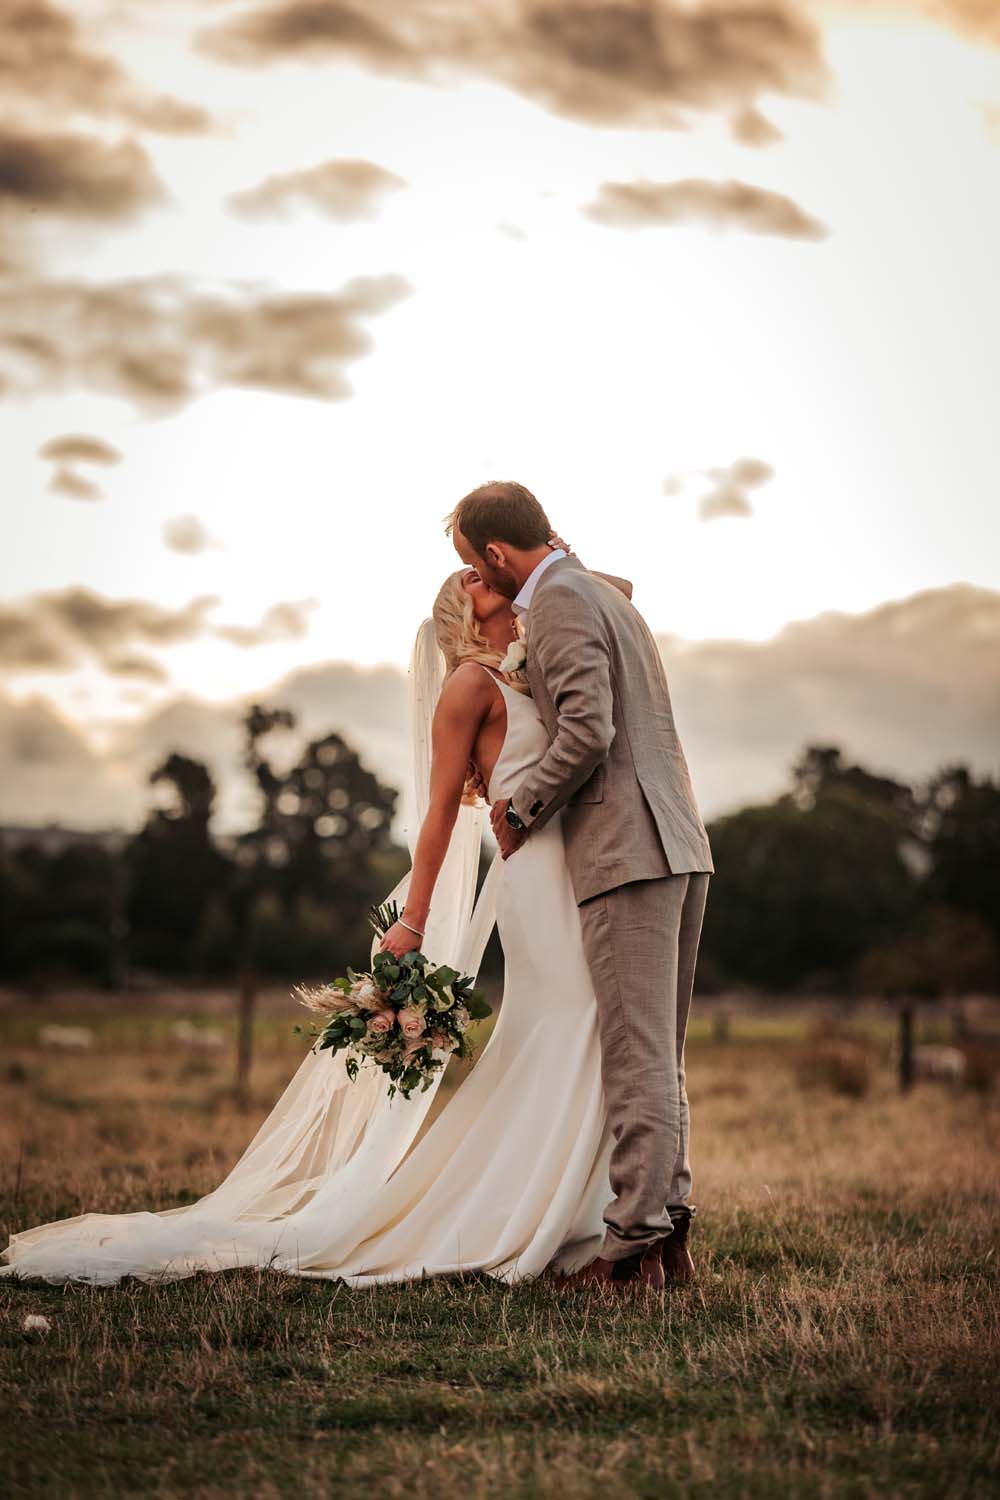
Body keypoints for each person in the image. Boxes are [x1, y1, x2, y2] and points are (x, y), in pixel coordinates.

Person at [0, 523, 689, 1294]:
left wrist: (561, 563)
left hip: (583, 872)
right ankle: (556, 1215)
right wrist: (415, 919)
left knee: (607, 1037)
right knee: (572, 1027)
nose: (496, 584)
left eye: (487, 571)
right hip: (537, 883)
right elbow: (437, 818)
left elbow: (608, 603)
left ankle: (601, 1213)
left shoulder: (534, 663)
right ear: (465, 610)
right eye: (480, 580)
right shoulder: (470, 687)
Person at [450, 481, 714, 1289]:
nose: (473, 581)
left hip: (625, 849)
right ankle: (668, 1239)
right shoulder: (599, 592)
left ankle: (627, 1248)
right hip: (676, 840)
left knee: (635, 1059)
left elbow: (589, 728)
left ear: (498, 553)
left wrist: (522, 810)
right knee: (658, 1057)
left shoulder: (560, 601)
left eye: (472, 562)